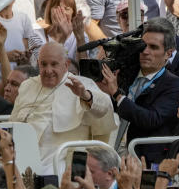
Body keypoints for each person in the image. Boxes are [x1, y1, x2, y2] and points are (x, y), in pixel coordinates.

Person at [11, 42, 116, 174]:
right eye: (43, 64)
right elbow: (13, 124)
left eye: (54, 64)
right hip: (25, 153)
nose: (48, 70)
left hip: (63, 157)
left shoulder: (81, 84)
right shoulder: (27, 85)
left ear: (66, 65)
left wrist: (85, 95)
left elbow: (104, 107)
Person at [98, 20, 179, 165]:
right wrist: (99, 94)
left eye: (153, 47)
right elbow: (116, 108)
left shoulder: (174, 84)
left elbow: (151, 119)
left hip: (144, 159)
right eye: (143, 46)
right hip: (112, 150)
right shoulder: (126, 74)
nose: (145, 51)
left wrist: (116, 94)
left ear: (168, 54)